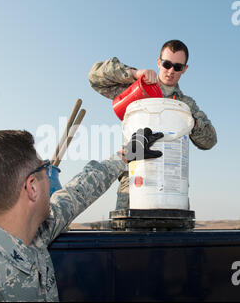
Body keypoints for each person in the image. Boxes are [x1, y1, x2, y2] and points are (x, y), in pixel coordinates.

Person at [0, 128, 163, 302]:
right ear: (32, 188)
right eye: (44, 168)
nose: (50, 175)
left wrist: (124, 155)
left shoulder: (30, 233)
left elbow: (76, 193)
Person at [88, 39, 217, 210]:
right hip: (135, 181)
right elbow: (94, 76)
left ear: (185, 69)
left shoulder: (186, 106)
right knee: (128, 235)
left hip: (172, 184)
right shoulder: (137, 87)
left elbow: (210, 141)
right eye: (167, 64)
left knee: (173, 236)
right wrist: (134, 73)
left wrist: (193, 124)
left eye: (177, 67)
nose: (171, 71)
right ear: (159, 62)